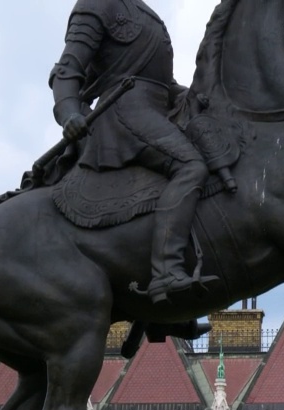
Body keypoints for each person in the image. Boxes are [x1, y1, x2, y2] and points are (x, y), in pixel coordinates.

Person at [51, 0, 213, 304]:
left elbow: (164, 83)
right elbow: (67, 70)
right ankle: (166, 271)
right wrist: (69, 112)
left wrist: (195, 97)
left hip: (157, 111)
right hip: (124, 113)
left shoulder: (146, 13)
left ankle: (164, 317)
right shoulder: (96, 5)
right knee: (191, 166)